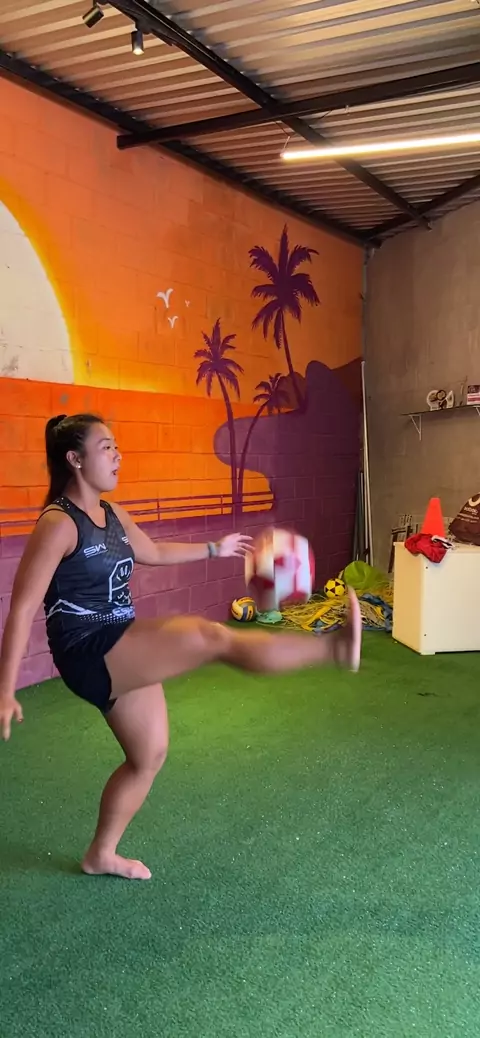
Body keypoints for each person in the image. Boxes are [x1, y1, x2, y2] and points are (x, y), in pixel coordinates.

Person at [0, 414, 362, 881]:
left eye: (116, 446)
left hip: (119, 638)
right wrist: (6, 690)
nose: (117, 455)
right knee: (210, 637)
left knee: (148, 756)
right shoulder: (58, 524)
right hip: (87, 649)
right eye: (106, 447)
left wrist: (214, 548)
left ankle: (100, 855)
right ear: (75, 459)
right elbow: (21, 608)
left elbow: (152, 552)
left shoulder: (112, 514)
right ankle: (333, 650)